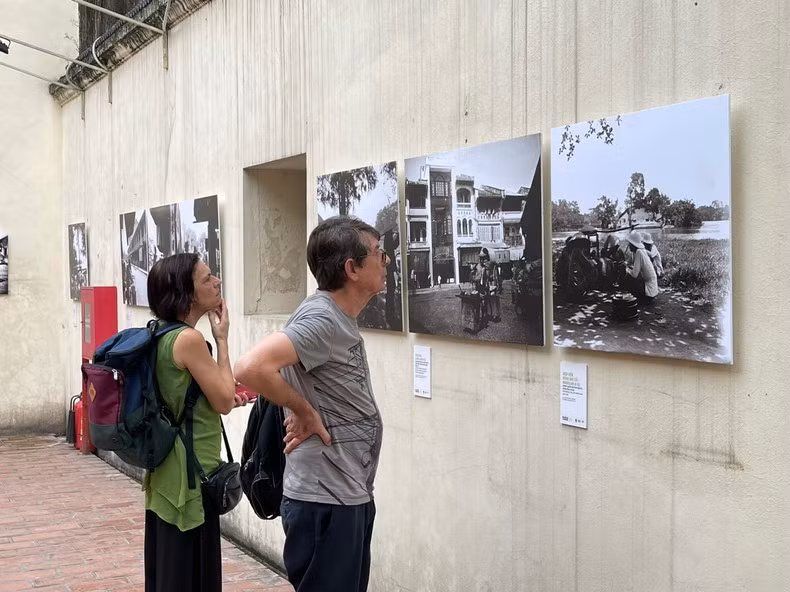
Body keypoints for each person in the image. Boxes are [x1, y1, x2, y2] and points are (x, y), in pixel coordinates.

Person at [234, 216, 386, 592]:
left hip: (342, 494)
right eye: (379, 254)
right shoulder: (323, 318)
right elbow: (250, 367)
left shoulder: (332, 316)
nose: (386, 261)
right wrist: (302, 410)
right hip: (327, 501)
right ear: (352, 268)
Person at [144, 253, 247, 592]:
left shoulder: (160, 333)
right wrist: (221, 339)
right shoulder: (188, 340)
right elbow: (222, 402)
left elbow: (186, 395)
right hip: (192, 482)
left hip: (165, 478)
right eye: (207, 279)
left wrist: (222, 394)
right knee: (193, 579)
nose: (217, 281)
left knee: (168, 575)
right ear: (185, 295)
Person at [619, 231, 659, 301]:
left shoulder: (638, 252)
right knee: (630, 274)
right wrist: (627, 265)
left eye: (630, 244)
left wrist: (626, 268)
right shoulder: (640, 251)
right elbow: (634, 265)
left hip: (648, 291)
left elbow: (635, 275)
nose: (628, 246)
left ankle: (628, 296)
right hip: (652, 290)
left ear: (633, 244)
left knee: (628, 277)